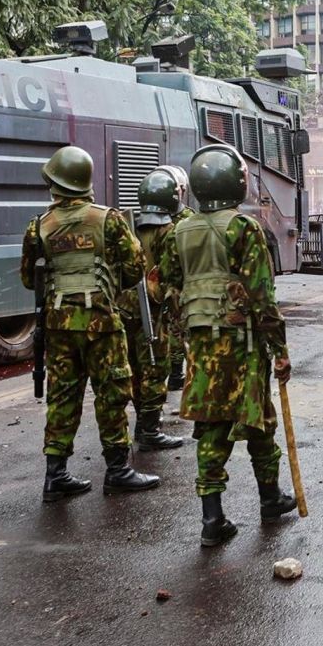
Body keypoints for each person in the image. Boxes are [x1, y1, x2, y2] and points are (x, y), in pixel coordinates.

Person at [160, 144, 297, 546]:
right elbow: (262, 295)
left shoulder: (179, 231)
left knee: (211, 424)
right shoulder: (243, 228)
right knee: (258, 417)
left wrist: (184, 328)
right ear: (236, 184)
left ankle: (212, 518)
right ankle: (269, 497)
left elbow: (167, 284)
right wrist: (280, 350)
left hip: (201, 343)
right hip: (241, 342)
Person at [20, 146, 159, 501]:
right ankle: (118, 470)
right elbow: (136, 268)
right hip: (101, 323)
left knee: (62, 396)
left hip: (58, 326)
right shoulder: (108, 219)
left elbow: (29, 279)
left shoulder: (39, 226)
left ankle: (56, 476)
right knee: (111, 393)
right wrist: (107, 285)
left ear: (56, 184)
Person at [120, 169, 185, 451]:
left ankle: (142, 424)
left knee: (135, 367)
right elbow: (172, 274)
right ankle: (149, 429)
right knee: (156, 368)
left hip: (125, 308)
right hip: (153, 311)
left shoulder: (128, 224)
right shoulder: (168, 231)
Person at [155, 164, 192, 393]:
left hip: (170, 283)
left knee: (173, 329)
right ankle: (177, 373)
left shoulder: (154, 220)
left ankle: (176, 373)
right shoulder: (187, 219)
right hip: (173, 282)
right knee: (175, 329)